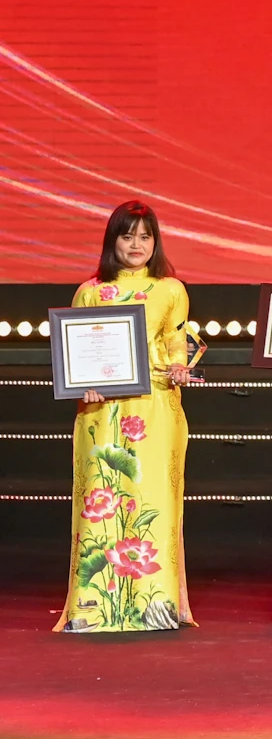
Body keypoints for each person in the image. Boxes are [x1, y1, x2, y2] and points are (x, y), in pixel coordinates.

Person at [56, 201, 200, 633]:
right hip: (102, 410)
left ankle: (155, 609)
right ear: (112, 240)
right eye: (127, 235)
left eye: (145, 236)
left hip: (156, 409)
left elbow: (179, 342)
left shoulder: (171, 289)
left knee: (152, 499)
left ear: (155, 242)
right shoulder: (90, 290)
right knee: (101, 503)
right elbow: (77, 352)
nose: (136, 245)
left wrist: (182, 366)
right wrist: (84, 382)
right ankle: (93, 610)